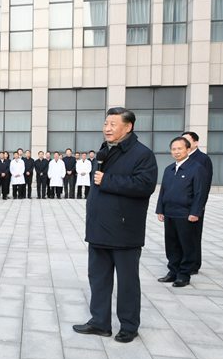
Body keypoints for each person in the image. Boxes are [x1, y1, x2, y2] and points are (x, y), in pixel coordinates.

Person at [73, 107, 158, 343]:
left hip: (124, 231)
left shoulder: (142, 154)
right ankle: (100, 322)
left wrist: (108, 180)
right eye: (105, 124)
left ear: (128, 126)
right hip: (99, 228)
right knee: (98, 278)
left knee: (128, 282)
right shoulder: (104, 151)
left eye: (112, 124)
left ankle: (129, 326)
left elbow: (144, 185)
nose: (107, 128)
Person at [155, 137, 208, 288]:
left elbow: (200, 193)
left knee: (186, 245)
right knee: (171, 244)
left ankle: (184, 274)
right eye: (173, 149)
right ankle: (173, 271)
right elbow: (163, 190)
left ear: (188, 150)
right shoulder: (169, 169)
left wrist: (195, 212)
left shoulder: (197, 168)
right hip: (170, 213)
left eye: (180, 148)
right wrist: (160, 209)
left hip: (186, 214)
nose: (176, 152)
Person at [181, 131, 213, 274]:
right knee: (181, 236)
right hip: (180, 206)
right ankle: (182, 262)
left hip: (194, 205)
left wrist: (198, 207)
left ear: (195, 143)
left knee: (193, 236)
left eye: (187, 141)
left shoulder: (202, 159)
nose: (185, 144)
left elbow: (204, 185)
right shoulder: (182, 158)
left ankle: (193, 265)